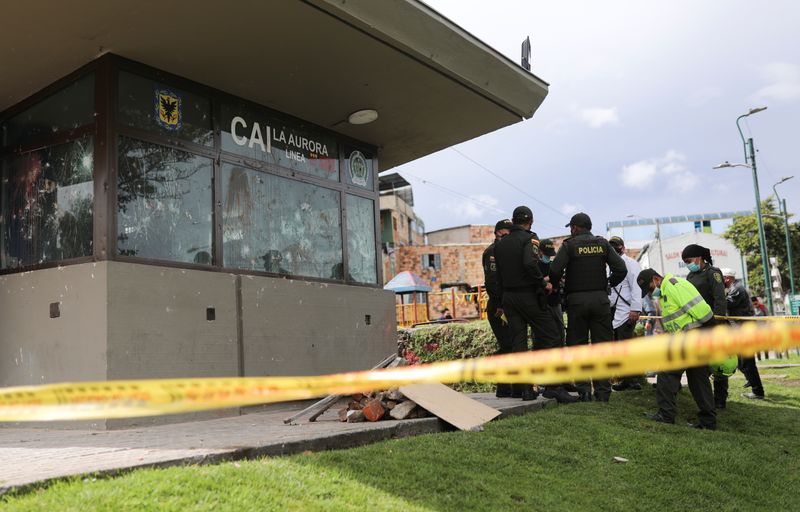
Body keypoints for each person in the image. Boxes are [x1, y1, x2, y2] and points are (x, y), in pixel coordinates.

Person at [494, 205, 577, 403]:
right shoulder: (529, 239)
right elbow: (529, 263)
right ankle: (553, 386)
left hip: (509, 298)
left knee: (519, 342)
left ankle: (526, 390)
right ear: (530, 221)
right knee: (553, 335)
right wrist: (543, 282)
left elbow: (497, 276)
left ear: (513, 221)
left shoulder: (500, 244)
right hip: (528, 296)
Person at [549, 213, 627, 402]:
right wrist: (608, 283)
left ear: (575, 228)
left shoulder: (569, 245)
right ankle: (603, 393)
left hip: (576, 302)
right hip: (600, 301)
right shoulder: (602, 244)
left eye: (571, 228)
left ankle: (584, 391)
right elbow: (621, 269)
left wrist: (558, 285)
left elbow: (555, 270)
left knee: (578, 347)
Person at [637, 268, 716, 430]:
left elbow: (703, 311)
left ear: (656, 279)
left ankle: (666, 416)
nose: (651, 293)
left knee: (666, 374)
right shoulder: (666, 292)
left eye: (650, 288)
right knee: (698, 380)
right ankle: (708, 422)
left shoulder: (674, 285)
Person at [682, 244, 729, 408]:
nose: (688, 264)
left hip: (714, 324)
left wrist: (716, 323)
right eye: (685, 262)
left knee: (719, 364)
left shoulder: (713, 273)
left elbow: (720, 299)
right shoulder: (690, 276)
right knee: (701, 366)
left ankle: (720, 400)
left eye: (689, 260)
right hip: (697, 326)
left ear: (699, 257)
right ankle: (706, 400)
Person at [721, 268, 765, 400]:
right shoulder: (734, 288)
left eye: (721, 278)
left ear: (727, 278)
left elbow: (726, 303)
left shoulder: (737, 289)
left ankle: (758, 392)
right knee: (740, 360)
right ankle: (751, 380)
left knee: (747, 362)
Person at [607, 237, 644, 391]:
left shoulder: (631, 263)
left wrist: (635, 309)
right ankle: (624, 377)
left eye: (616, 246)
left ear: (622, 247)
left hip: (627, 311)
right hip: (614, 312)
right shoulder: (608, 265)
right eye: (612, 246)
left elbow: (636, 287)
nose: (614, 248)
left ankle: (633, 380)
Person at [483, 219, 514, 397]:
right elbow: (492, 282)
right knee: (507, 345)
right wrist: (501, 305)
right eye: (502, 234)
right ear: (496, 234)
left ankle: (507, 386)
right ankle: (503, 386)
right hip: (497, 307)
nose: (505, 238)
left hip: (507, 304)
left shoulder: (506, 250)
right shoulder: (492, 252)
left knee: (510, 345)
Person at [538, 238, 566, 344]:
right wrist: (548, 279)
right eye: (546, 254)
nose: (548, 257)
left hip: (555, 301)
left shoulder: (553, 265)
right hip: (541, 303)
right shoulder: (535, 266)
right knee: (542, 330)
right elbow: (535, 281)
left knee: (560, 327)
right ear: (540, 252)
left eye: (550, 255)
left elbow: (561, 280)